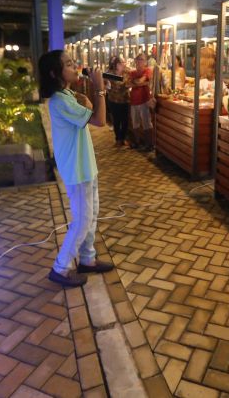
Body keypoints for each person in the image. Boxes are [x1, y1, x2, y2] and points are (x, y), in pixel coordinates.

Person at [38, 50, 113, 288]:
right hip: (77, 169)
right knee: (82, 220)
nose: (75, 67)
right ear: (54, 73)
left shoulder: (68, 95)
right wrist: (100, 88)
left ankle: (87, 259)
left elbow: (90, 112)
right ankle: (61, 268)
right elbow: (100, 121)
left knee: (92, 214)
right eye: (69, 64)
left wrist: (91, 98)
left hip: (85, 165)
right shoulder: (60, 101)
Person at [127, 53, 154, 151]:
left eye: (142, 60)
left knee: (147, 123)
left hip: (144, 100)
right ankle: (137, 142)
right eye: (138, 59)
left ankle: (149, 144)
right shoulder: (132, 72)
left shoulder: (147, 70)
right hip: (133, 101)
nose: (139, 62)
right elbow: (127, 85)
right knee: (135, 124)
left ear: (145, 61)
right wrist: (143, 83)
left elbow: (137, 82)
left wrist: (136, 82)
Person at [106, 56, 130, 147]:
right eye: (120, 63)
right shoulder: (110, 73)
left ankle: (123, 138)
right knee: (116, 120)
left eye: (124, 62)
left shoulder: (127, 72)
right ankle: (118, 139)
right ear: (116, 65)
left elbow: (131, 81)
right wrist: (106, 87)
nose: (123, 65)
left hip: (125, 100)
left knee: (125, 121)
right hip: (114, 100)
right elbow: (104, 83)